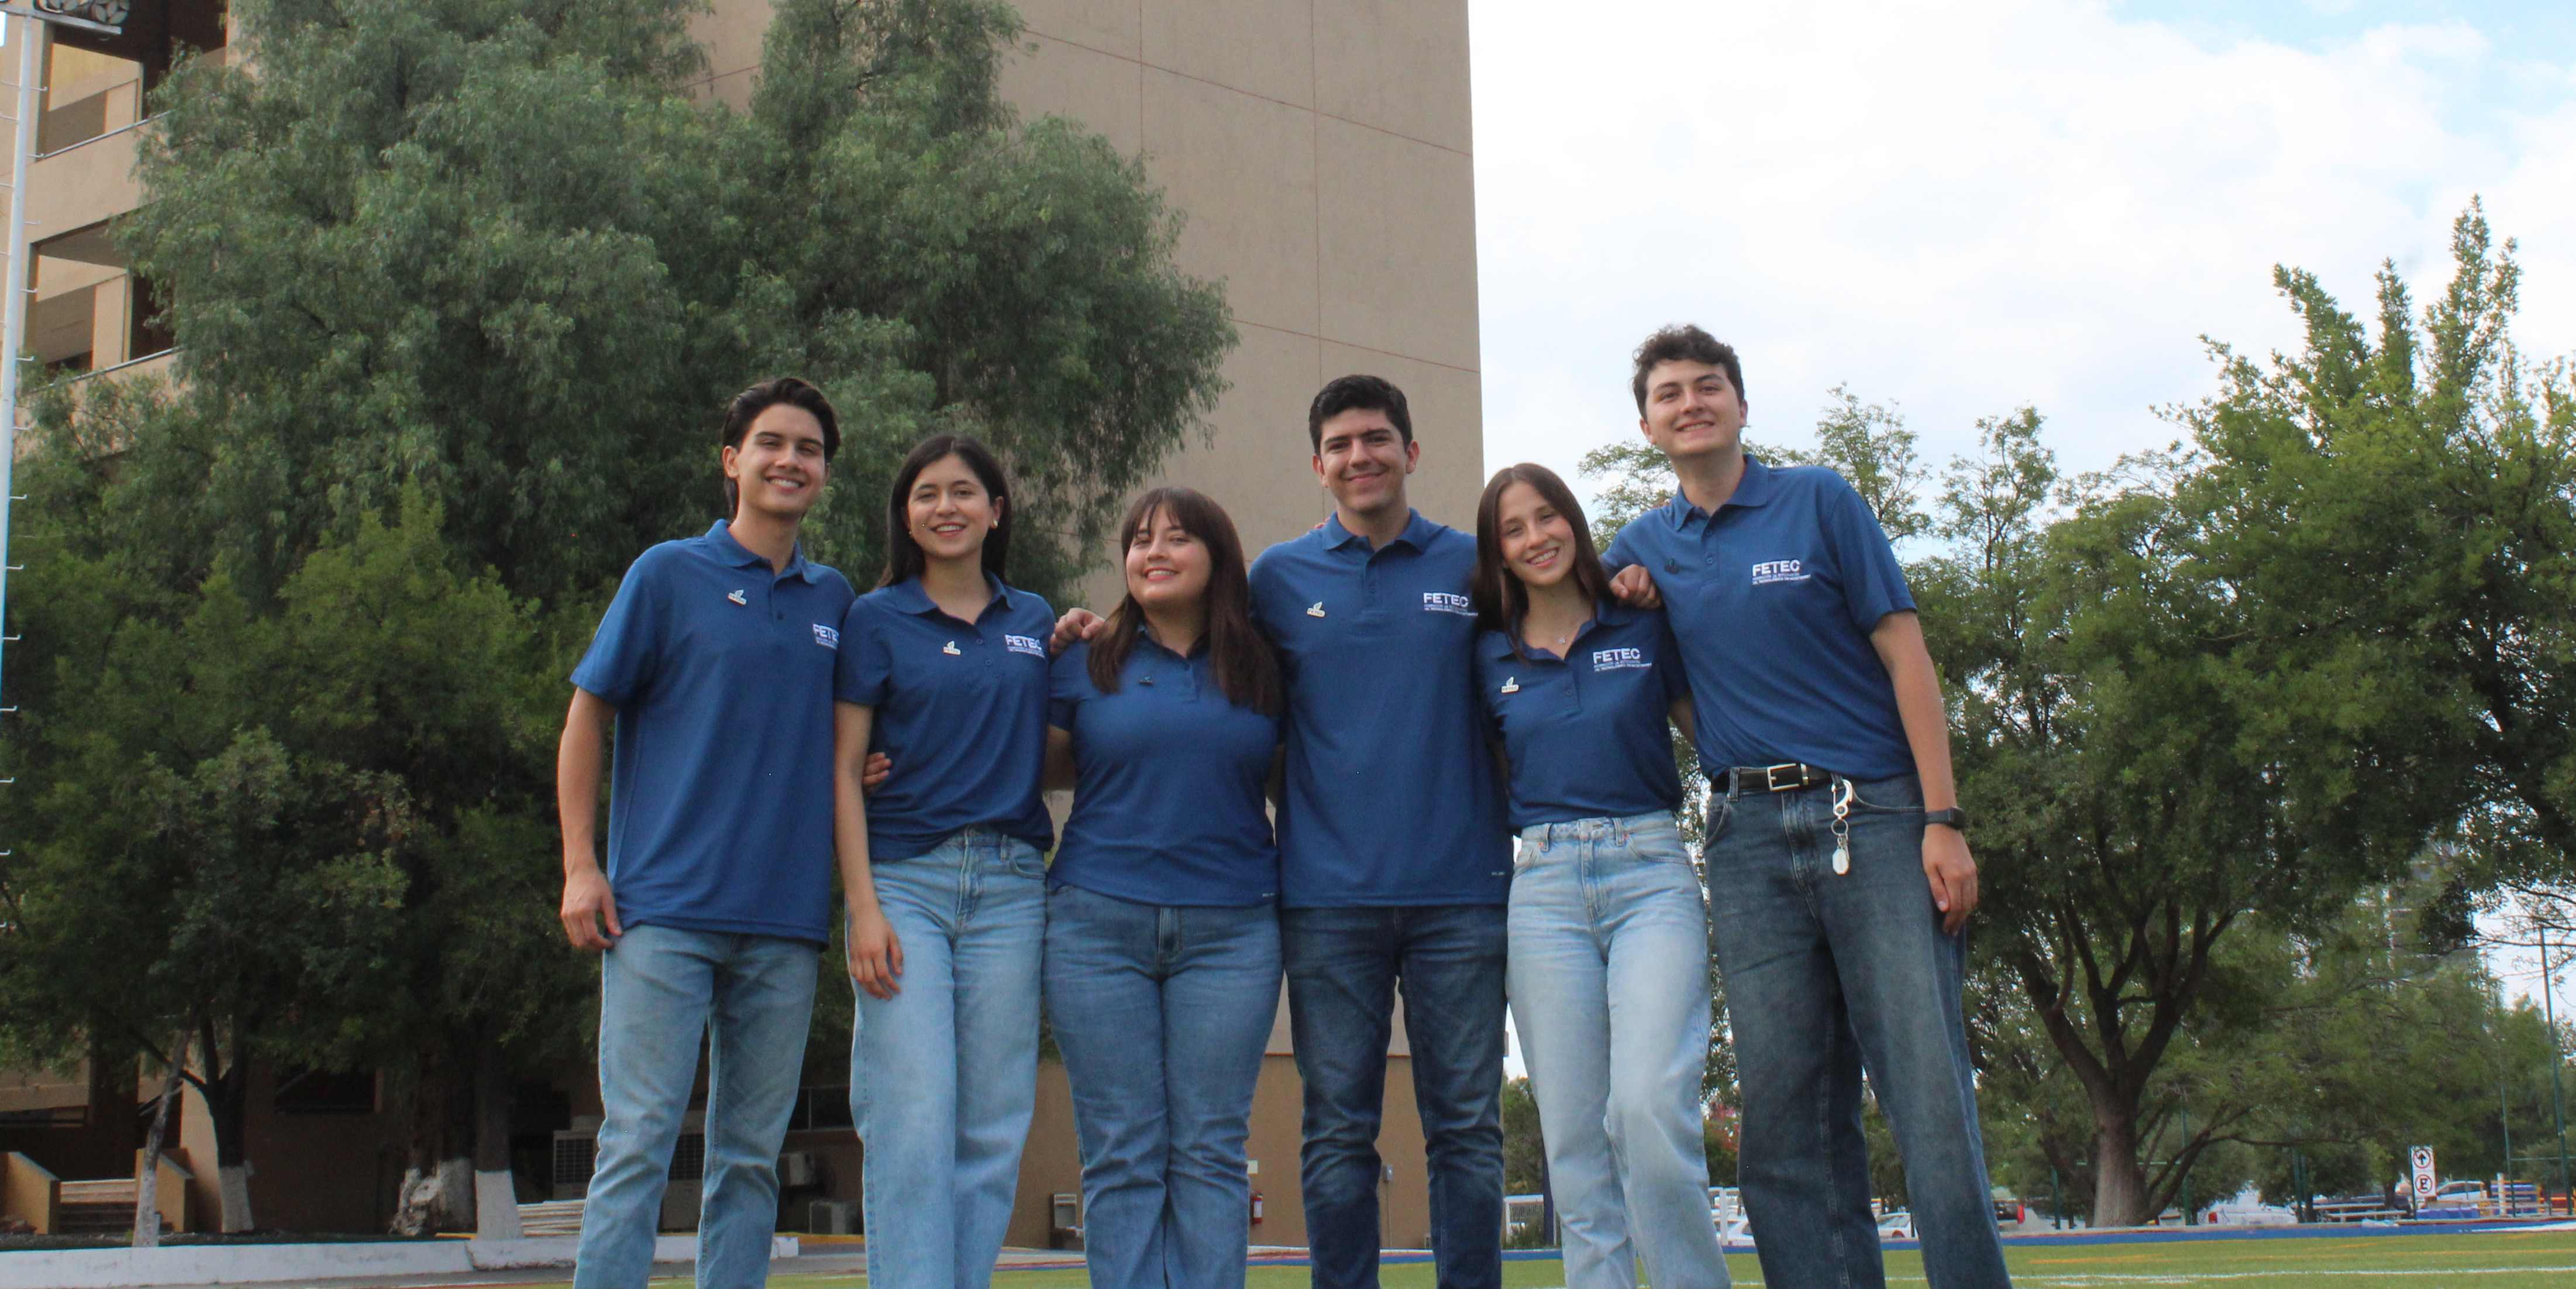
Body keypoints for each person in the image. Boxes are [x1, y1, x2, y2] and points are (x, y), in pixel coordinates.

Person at [1059, 375, 1511, 1287]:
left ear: (1411, 452)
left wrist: (1629, 583)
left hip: (1461, 894)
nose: (1360, 457)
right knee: (1337, 1130)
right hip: (1323, 899)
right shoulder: (1276, 581)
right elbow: (1176, 634)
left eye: (1377, 439)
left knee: (1466, 1128)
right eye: (1340, 445)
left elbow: (1551, 633)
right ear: (1318, 465)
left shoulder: (1475, 571)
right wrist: (1091, 625)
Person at [1604, 325, 2011, 1288]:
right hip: (1744, 842)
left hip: (1872, 821)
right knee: (1785, 1116)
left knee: (1927, 1094)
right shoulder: (1640, 550)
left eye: (1709, 386)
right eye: (1669, 393)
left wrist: (1941, 820)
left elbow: (1907, 656)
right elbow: (1665, 689)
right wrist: (1731, 756)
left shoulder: (1819, 502)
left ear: (1742, 406)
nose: (1691, 402)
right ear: (1648, 424)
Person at [559, 377, 854, 1289]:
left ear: (823, 473)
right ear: (733, 461)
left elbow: (848, 739)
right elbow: (586, 718)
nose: (789, 460)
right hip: (661, 915)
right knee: (640, 1144)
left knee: (750, 1160)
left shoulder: (836, 601)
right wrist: (581, 866)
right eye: (772, 443)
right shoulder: (666, 574)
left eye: (808, 449)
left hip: (784, 923)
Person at [1470, 463, 1730, 1289]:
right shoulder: (1486, 657)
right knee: (1575, 1144)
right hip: (1542, 889)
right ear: (1498, 552)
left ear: (1574, 525)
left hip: (1650, 871)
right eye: (1514, 529)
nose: (1535, 537)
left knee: (1650, 1110)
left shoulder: (1642, 622)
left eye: (1547, 518)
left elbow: (1713, 739)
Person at [1041, 487, 1286, 1289]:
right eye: (1140, 540)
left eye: (1176, 539)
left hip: (1234, 932)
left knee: (1210, 1148)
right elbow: (1026, 769)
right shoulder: (1085, 660)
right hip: (1094, 926)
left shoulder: (1264, 664)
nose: (1153, 552)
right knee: (1121, 1148)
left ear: (1217, 556)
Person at [831, 435, 1057, 1289]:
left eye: (965, 492)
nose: (946, 507)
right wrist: (863, 908)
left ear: (996, 512)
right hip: (906, 886)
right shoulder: (874, 617)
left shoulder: (1034, 621)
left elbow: (1060, 739)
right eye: (927, 494)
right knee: (913, 1119)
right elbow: (843, 771)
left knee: (993, 1128)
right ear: (907, 515)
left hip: (1011, 890)